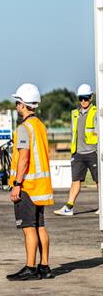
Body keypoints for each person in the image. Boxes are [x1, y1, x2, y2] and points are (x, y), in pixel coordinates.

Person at [7, 83, 54, 281]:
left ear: (23, 104)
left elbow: (24, 158)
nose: (17, 106)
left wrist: (17, 184)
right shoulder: (40, 126)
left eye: (18, 102)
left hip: (28, 187)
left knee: (28, 228)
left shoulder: (24, 128)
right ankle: (44, 266)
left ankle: (30, 268)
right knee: (40, 226)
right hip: (42, 187)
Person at [54, 84, 98, 216]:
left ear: (91, 98)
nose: (83, 101)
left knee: (99, 181)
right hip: (78, 153)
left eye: (86, 98)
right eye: (81, 98)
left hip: (93, 151)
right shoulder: (74, 114)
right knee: (75, 181)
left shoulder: (96, 112)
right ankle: (69, 207)